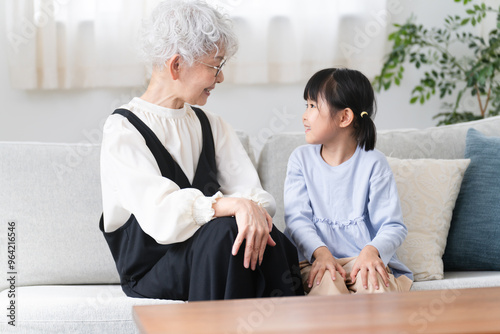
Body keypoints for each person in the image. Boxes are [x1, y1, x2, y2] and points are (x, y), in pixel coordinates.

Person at [99, 0, 303, 301]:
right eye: (215, 65)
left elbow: (252, 193)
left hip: (215, 256)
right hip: (153, 267)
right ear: (177, 65)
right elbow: (160, 214)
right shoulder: (123, 130)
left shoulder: (212, 125)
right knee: (225, 235)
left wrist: (249, 210)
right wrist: (232, 206)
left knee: (274, 241)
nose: (220, 77)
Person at [284, 68, 413, 295]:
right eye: (307, 105)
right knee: (327, 289)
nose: (305, 115)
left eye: (313, 106)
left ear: (344, 117)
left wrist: (372, 251)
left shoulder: (374, 163)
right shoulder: (300, 159)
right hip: (316, 262)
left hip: (362, 259)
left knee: (374, 287)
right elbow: (297, 220)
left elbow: (392, 226)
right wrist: (321, 253)